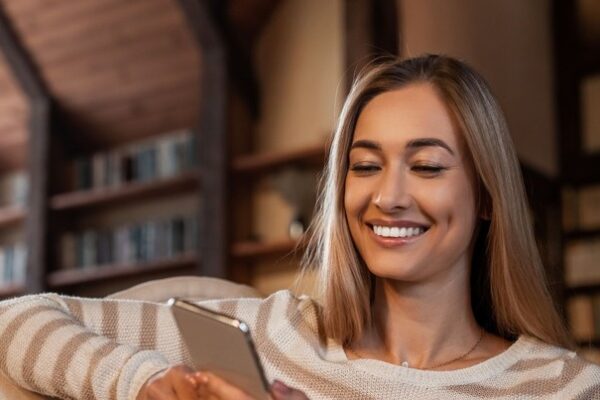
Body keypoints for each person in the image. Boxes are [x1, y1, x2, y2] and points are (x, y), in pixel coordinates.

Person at [1, 54, 599, 400]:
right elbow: (16, 319)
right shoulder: (274, 332)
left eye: (426, 166)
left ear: (487, 194)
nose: (388, 197)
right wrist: (143, 383)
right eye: (365, 166)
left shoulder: (566, 388)